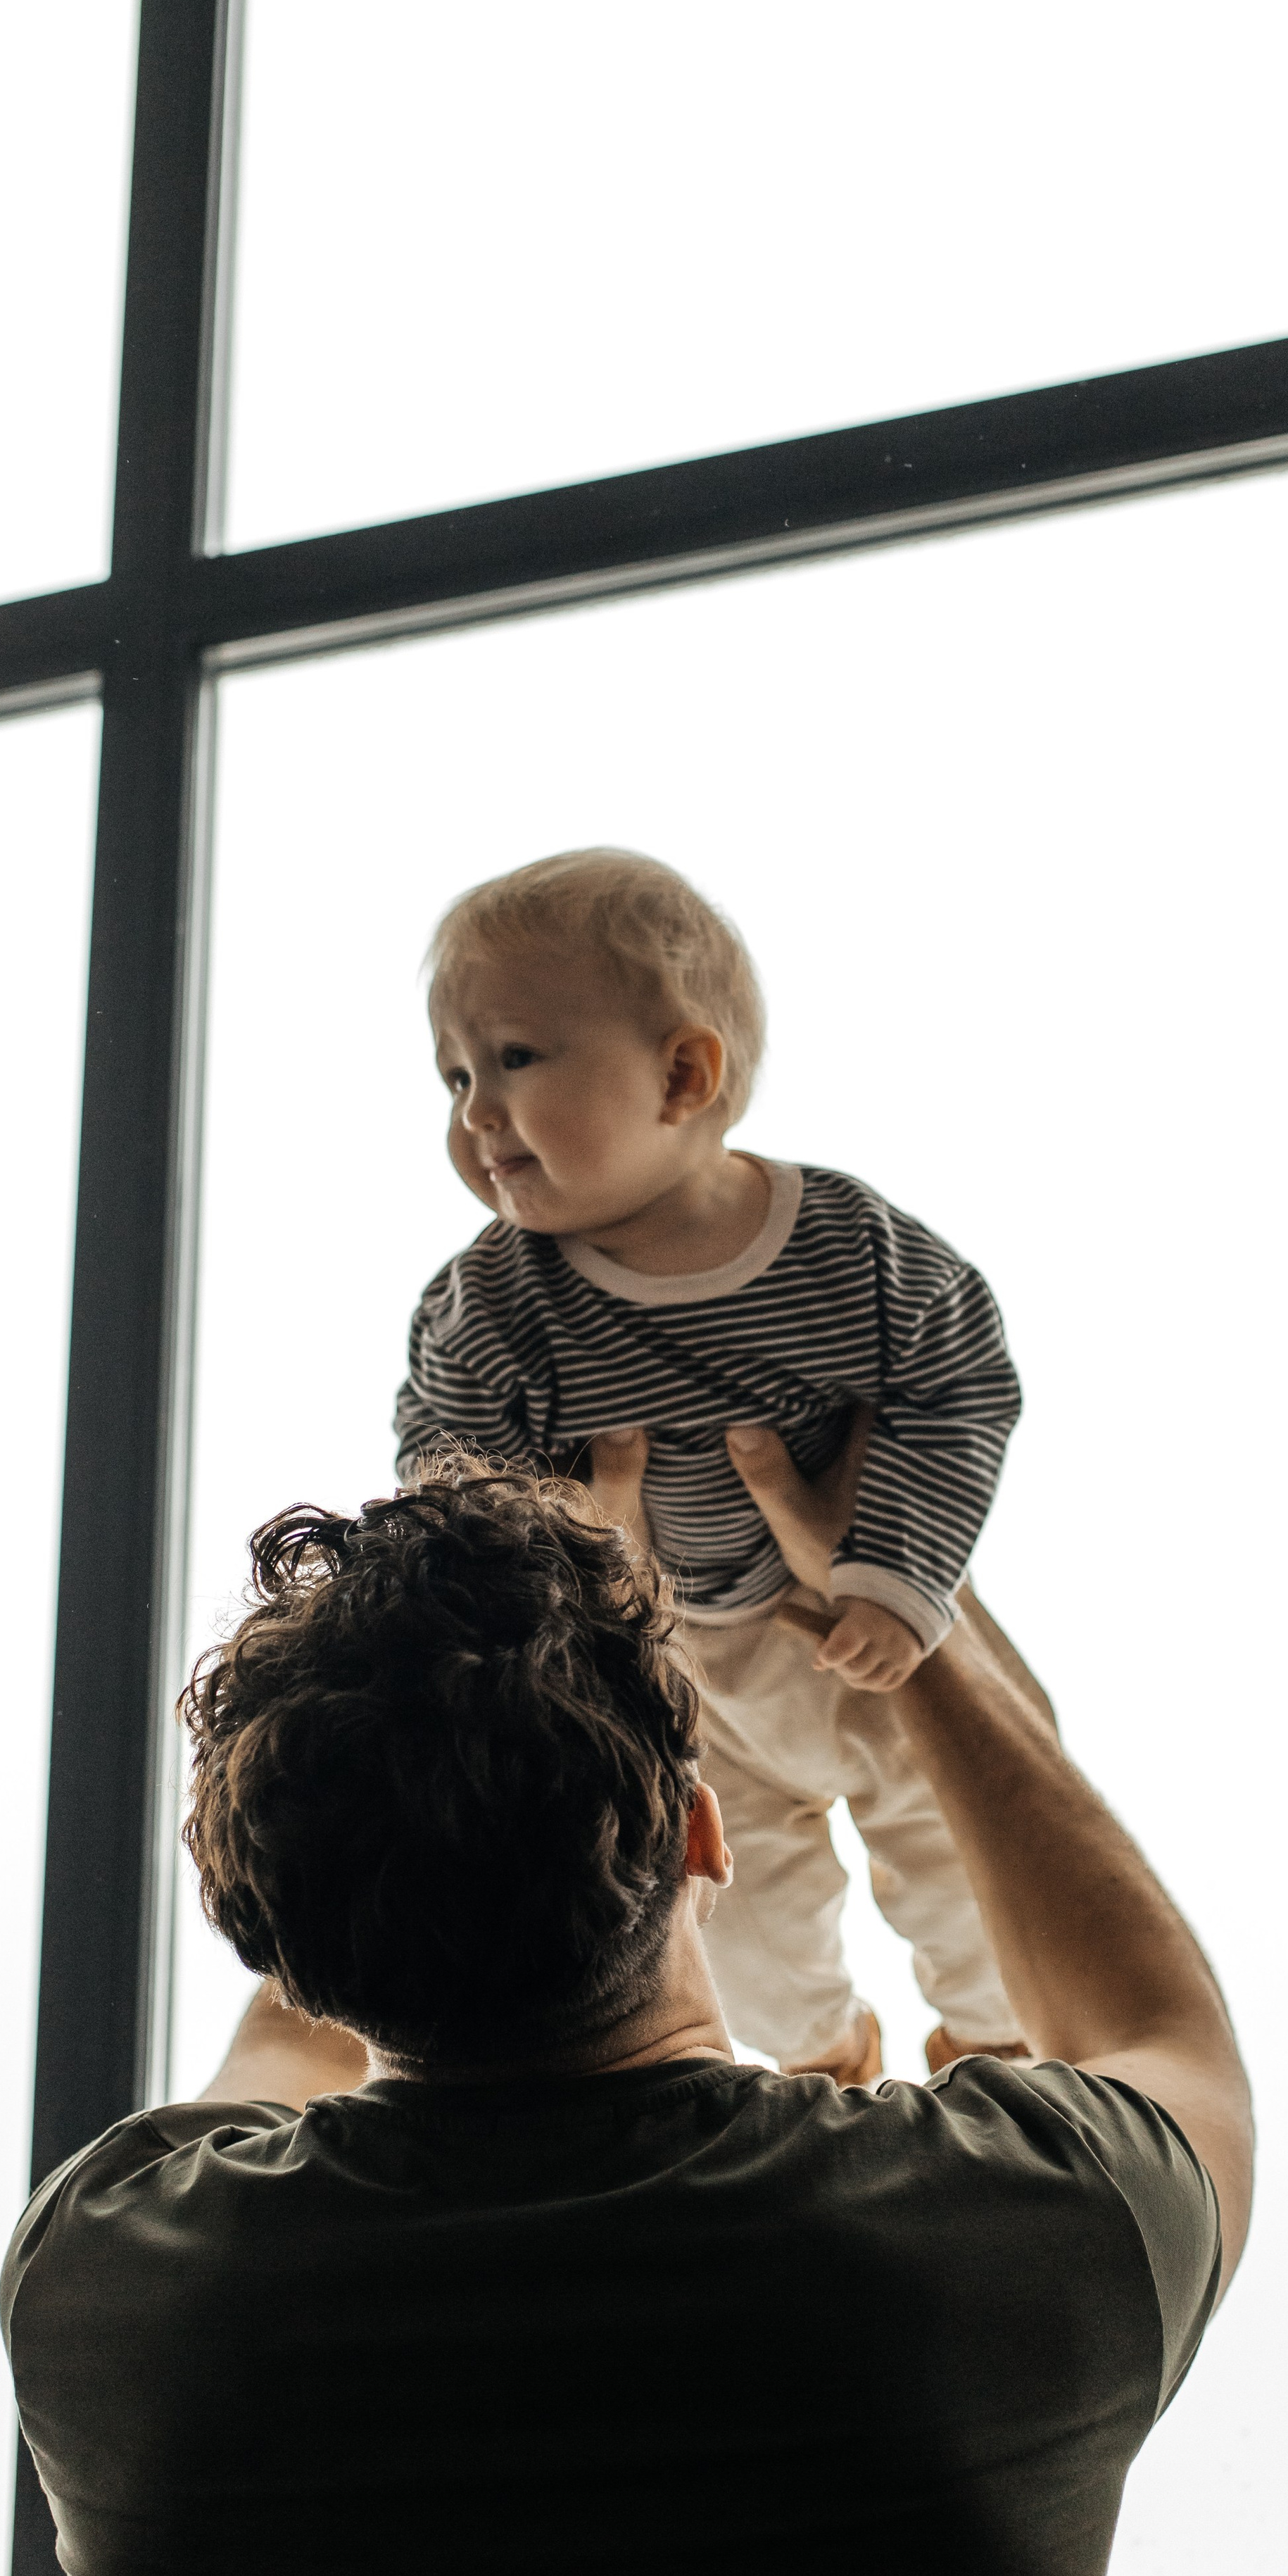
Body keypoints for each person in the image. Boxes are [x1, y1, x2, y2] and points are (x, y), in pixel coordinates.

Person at [0, 1444, 1253, 2576]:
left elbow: (289, 2028)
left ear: (267, 1921)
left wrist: (394, 1771)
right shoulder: (1020, 2224)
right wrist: (905, 1594)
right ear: (705, 1832)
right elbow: (1164, 2031)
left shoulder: (110, 2284)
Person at [396, 843, 1030, 2082]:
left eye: (514, 1058)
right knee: (732, 1911)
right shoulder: (494, 1306)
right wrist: (559, 1549)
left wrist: (895, 1577)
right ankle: (824, 2069)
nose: (474, 1112)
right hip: (672, 1663)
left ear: (684, 1074)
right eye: (455, 1074)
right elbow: (448, 1468)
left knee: (965, 1856)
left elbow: (958, 1382)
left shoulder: (843, 1250)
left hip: (857, 1631)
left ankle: (998, 2050)